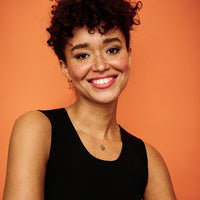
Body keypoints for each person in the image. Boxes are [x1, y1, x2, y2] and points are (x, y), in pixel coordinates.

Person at [3, 0, 177, 199]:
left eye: (112, 50)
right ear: (65, 67)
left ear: (128, 56)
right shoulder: (36, 129)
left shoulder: (148, 160)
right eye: (83, 55)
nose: (101, 65)